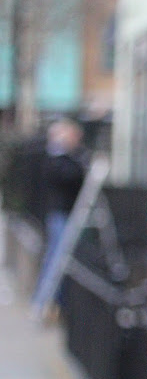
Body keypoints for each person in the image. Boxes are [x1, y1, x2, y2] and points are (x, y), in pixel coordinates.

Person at [32, 117, 88, 315]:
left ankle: (51, 302)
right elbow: (69, 177)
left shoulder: (65, 158)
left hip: (64, 214)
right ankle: (43, 302)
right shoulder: (56, 159)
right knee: (56, 258)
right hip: (61, 215)